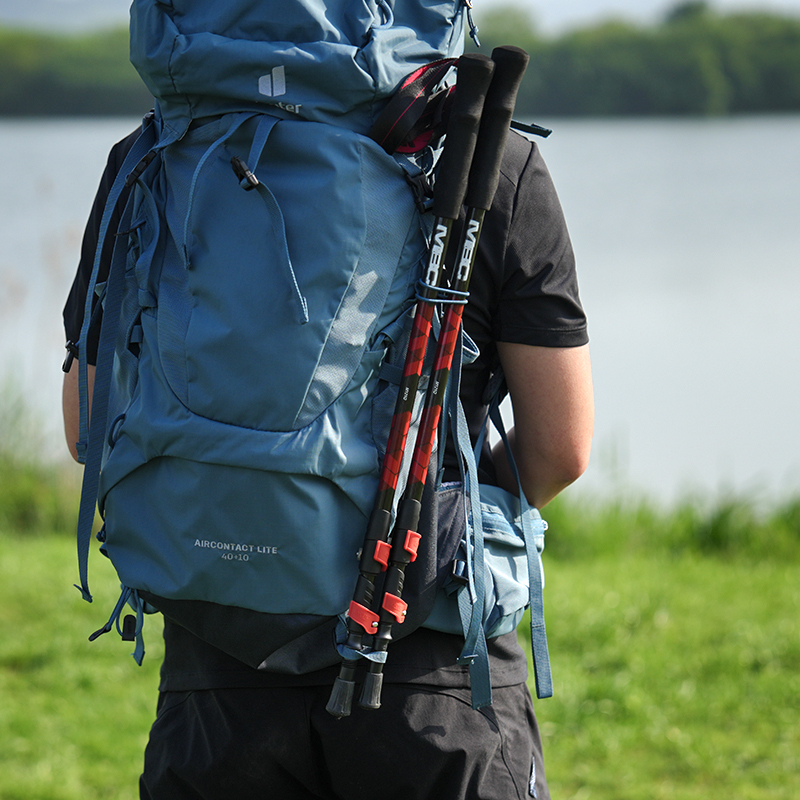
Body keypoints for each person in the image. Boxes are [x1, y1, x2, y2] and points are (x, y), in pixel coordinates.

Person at [62, 102, 593, 800]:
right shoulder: (483, 156)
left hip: (217, 683)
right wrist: (438, 508)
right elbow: (561, 447)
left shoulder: (158, 154)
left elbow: (87, 428)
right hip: (432, 674)